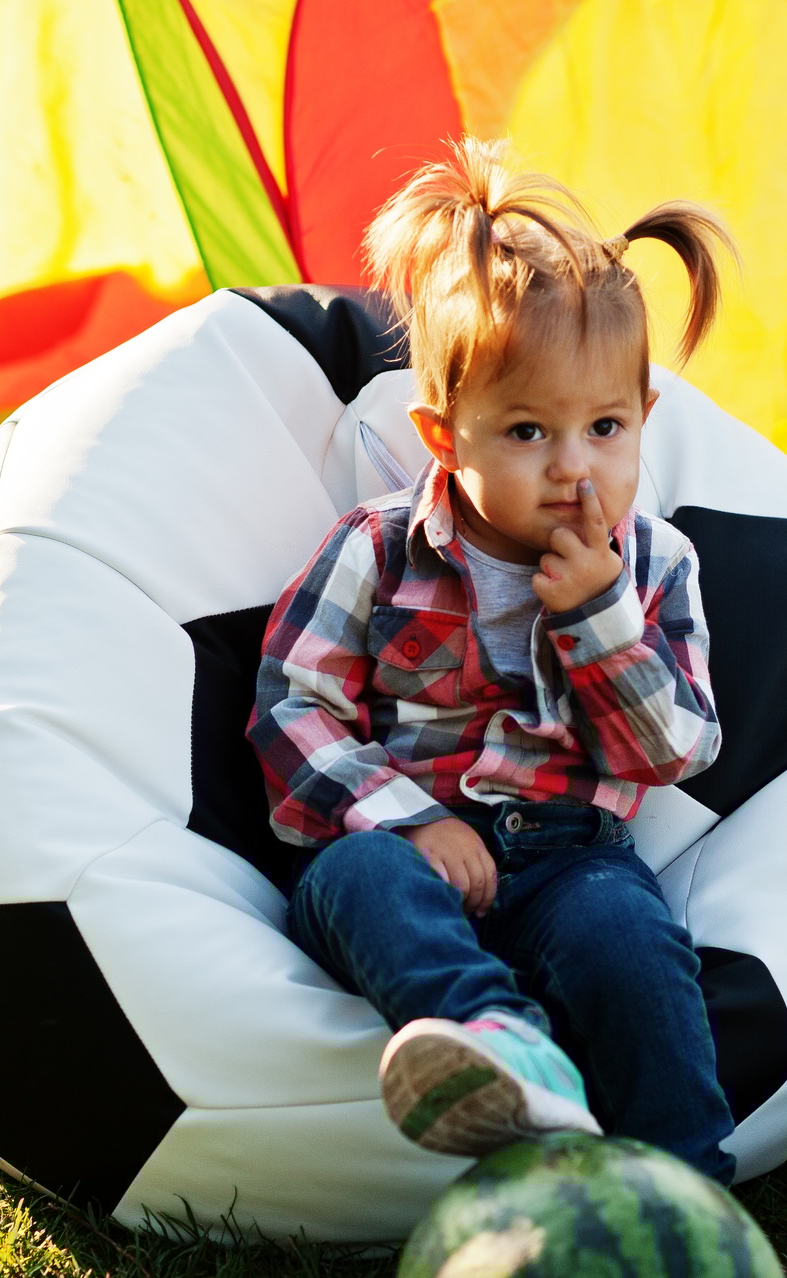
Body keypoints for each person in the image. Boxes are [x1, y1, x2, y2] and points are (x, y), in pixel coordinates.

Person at [246, 138, 736, 1184]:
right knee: (353, 879)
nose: (572, 467)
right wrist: (406, 817)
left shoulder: (654, 566)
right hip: (410, 847)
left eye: (603, 426)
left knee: (633, 949)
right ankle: (499, 1042)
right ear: (440, 435)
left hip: (575, 858)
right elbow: (290, 705)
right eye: (524, 431)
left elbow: (682, 748)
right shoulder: (377, 550)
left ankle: (686, 1188)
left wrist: (602, 621)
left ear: (642, 418)